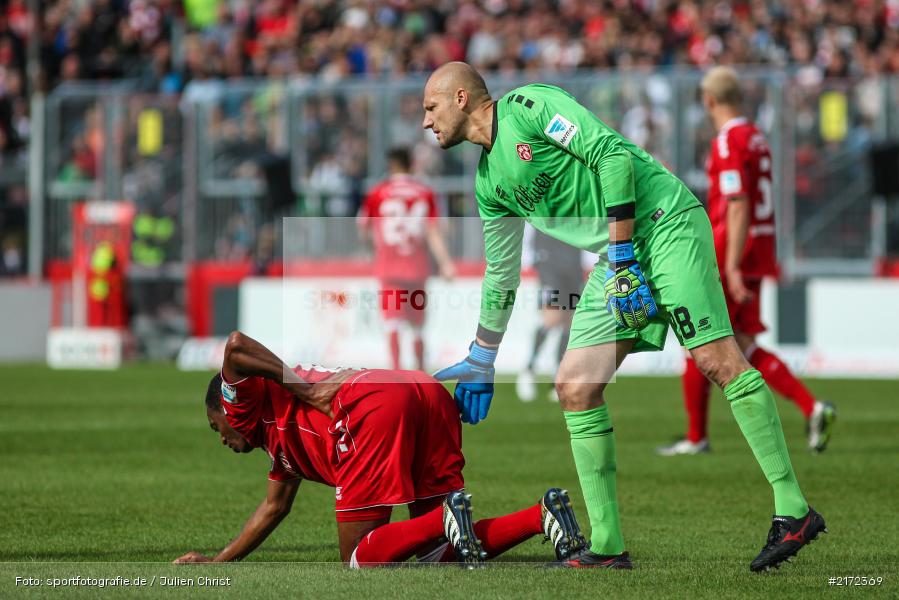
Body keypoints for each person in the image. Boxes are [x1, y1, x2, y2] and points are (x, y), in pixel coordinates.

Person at [424, 62, 826, 572]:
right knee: (574, 384)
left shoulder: (529, 107)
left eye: (430, 108)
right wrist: (482, 356)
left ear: (461, 98)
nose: (425, 122)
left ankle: (793, 510)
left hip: (663, 225)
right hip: (617, 256)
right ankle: (608, 546)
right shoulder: (488, 183)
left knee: (716, 360)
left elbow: (614, 156)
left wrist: (619, 254)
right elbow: (500, 274)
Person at [173, 331, 587, 567]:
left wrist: (308, 391)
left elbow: (236, 346)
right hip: (423, 391)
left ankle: (444, 519)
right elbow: (273, 508)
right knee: (438, 555)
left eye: (216, 427)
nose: (222, 438)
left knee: (360, 559)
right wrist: (218, 563)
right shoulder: (280, 443)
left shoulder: (242, 406)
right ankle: (542, 515)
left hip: (371, 408)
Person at [657, 67, 836, 457]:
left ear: (709, 101)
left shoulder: (728, 141)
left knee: (697, 337)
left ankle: (695, 437)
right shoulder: (757, 137)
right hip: (759, 249)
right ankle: (811, 407)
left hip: (730, 251)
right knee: (743, 343)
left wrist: (731, 264)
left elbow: (736, 204)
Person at [357, 147, 455, 371]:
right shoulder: (425, 192)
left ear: (391, 166)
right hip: (417, 266)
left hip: (389, 266)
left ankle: (396, 372)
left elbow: (363, 227)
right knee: (417, 325)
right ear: (412, 164)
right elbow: (434, 230)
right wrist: (446, 263)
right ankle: (420, 373)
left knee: (392, 322)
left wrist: (373, 248)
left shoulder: (377, 192)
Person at [516, 227, 585, 402]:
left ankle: (559, 376)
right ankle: (529, 370)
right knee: (552, 318)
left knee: (569, 322)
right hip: (550, 263)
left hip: (573, 264)